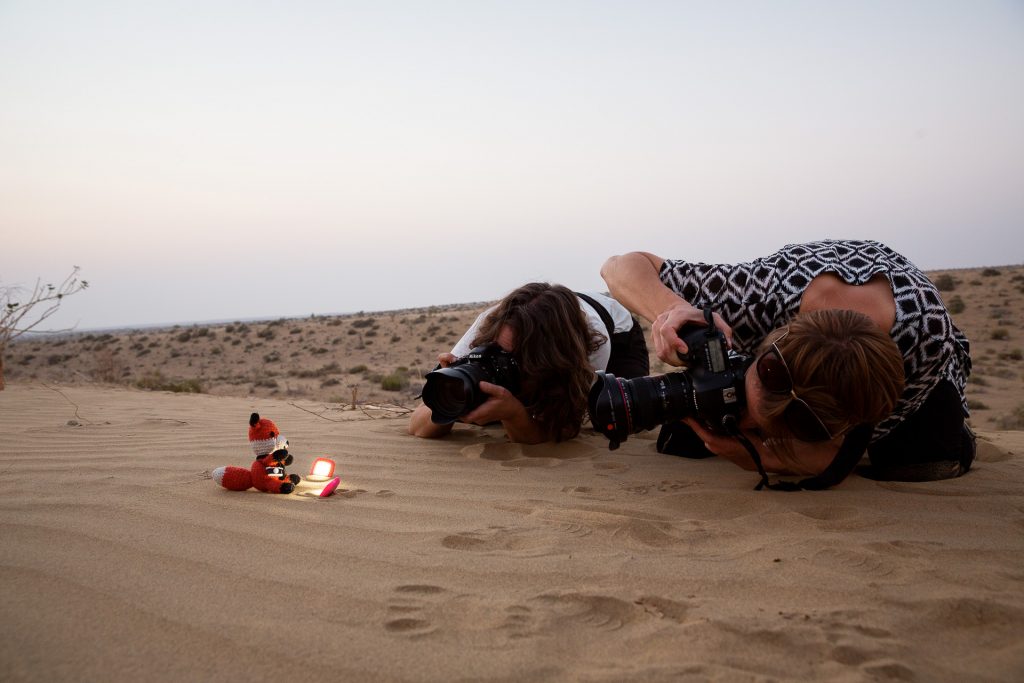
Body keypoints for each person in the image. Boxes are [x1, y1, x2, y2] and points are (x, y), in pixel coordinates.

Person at [600, 239, 974, 486]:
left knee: (912, 463)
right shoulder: (761, 293)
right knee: (684, 438)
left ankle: (955, 435)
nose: (748, 422)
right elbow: (619, 267)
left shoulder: (926, 341)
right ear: (768, 342)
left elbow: (838, 453)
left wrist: (766, 456)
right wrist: (673, 308)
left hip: (921, 384)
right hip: (797, 296)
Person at [408, 282, 649, 444]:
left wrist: (514, 415)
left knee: (614, 418)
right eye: (499, 350)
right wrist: (453, 394)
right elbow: (418, 425)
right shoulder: (489, 327)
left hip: (618, 333)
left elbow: (563, 429)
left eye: (518, 357)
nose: (503, 359)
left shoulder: (591, 344)